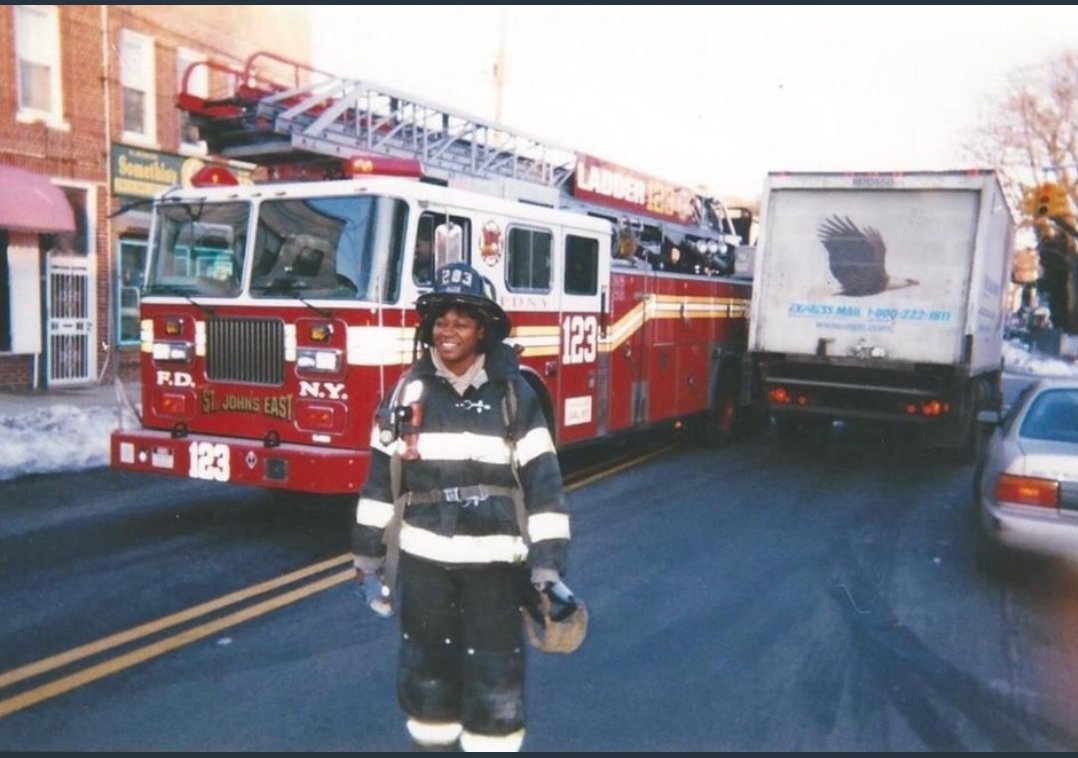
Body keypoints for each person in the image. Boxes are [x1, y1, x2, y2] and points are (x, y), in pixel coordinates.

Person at [352, 262, 572, 752]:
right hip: (425, 563)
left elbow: (544, 484)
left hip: (495, 566)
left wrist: (548, 566)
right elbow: (379, 481)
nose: (448, 330)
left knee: (495, 673)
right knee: (427, 669)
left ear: (483, 331)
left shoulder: (515, 395)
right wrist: (366, 557)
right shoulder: (407, 392)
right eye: (441, 320)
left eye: (462, 321)